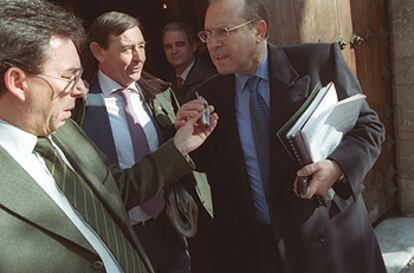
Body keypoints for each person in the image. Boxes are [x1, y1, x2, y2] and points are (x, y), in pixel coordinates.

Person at [0, 1, 217, 273]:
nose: (80, 89)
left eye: (142, 46)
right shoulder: (76, 113)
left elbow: (115, 190)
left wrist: (178, 144)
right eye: (69, 77)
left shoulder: (64, 131)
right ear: (18, 83)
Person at [176, 0, 387, 272]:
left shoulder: (317, 63)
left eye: (224, 31)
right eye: (208, 34)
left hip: (330, 241)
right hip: (262, 252)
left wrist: (337, 167)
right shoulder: (208, 97)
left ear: (259, 30)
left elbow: (368, 128)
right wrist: (184, 137)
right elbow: (209, 167)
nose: (213, 44)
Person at [81, 11, 214, 273]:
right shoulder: (78, 108)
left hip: (170, 230)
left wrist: (177, 132)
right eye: (127, 49)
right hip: (119, 239)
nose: (139, 57)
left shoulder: (160, 92)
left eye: (141, 46)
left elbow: (177, 159)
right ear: (98, 51)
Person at [162, 22, 217, 104]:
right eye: (168, 46)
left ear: (193, 46)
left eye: (180, 44)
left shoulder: (211, 78)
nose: (174, 51)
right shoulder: (165, 83)